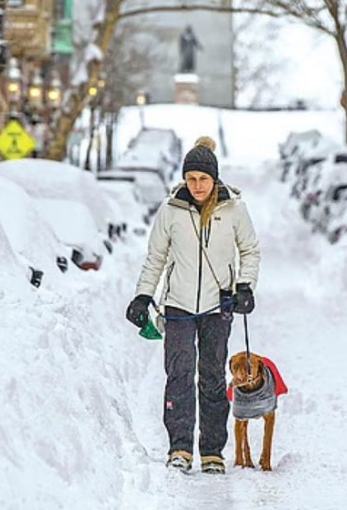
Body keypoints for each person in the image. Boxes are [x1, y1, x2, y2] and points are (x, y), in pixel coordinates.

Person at [126, 136, 261, 475]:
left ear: (214, 179)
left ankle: (212, 450)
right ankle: (180, 447)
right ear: (184, 179)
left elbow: (250, 250)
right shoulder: (170, 210)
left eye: (203, 179)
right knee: (179, 376)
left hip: (219, 305)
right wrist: (144, 295)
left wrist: (245, 286)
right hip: (178, 305)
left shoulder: (234, 209)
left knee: (213, 376)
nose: (197, 185)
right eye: (191, 178)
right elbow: (156, 257)